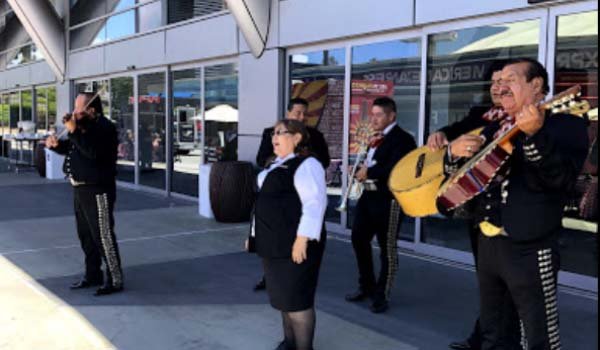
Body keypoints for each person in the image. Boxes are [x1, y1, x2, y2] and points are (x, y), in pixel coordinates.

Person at [442, 58, 588, 349]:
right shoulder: (491, 130)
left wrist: (534, 136)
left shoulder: (565, 125)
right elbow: (464, 185)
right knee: (493, 331)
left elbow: (562, 180)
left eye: (511, 79)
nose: (501, 86)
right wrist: (451, 154)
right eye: (499, 81)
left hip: (531, 247)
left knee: (538, 336)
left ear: (536, 86)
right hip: (489, 244)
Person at [428, 60, 520, 350]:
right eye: (494, 82)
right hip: (479, 209)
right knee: (488, 282)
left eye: (505, 81)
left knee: (513, 286)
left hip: (515, 213)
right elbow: (453, 132)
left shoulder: (526, 117)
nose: (498, 87)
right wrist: (441, 135)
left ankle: (504, 339)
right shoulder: (481, 114)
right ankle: (485, 336)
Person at [249, 119, 327, 350]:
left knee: (297, 301)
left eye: (281, 132)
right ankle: (289, 343)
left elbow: (315, 204)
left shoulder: (307, 164)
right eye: (273, 132)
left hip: (295, 244)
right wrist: (253, 236)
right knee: (283, 298)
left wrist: (302, 240)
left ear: (297, 137)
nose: (275, 137)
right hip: (273, 243)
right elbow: (262, 204)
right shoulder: (276, 165)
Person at [46, 92, 124, 296]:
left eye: (78, 109)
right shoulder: (82, 128)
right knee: (86, 236)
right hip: (79, 188)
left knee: (103, 235)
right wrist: (57, 146)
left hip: (98, 188)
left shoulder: (104, 128)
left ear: (91, 109)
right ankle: (93, 274)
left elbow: (93, 152)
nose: (74, 113)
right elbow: (75, 150)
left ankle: (115, 279)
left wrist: (74, 131)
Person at [345, 97, 417, 313]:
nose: (373, 119)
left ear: (391, 116)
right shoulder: (374, 138)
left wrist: (369, 172)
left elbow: (397, 169)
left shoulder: (403, 139)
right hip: (368, 197)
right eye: (372, 115)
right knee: (358, 239)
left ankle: (381, 294)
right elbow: (370, 163)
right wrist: (358, 170)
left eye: (378, 115)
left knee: (387, 249)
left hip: (389, 200)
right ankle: (366, 285)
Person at [253, 98, 331, 292]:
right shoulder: (271, 137)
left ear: (297, 138)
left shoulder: (314, 140)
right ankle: (269, 278)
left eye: (305, 113)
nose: (302, 116)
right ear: (288, 113)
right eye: (298, 113)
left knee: (294, 290)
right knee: (278, 282)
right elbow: (261, 158)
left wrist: (298, 160)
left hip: (295, 212)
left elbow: (323, 164)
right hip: (274, 225)